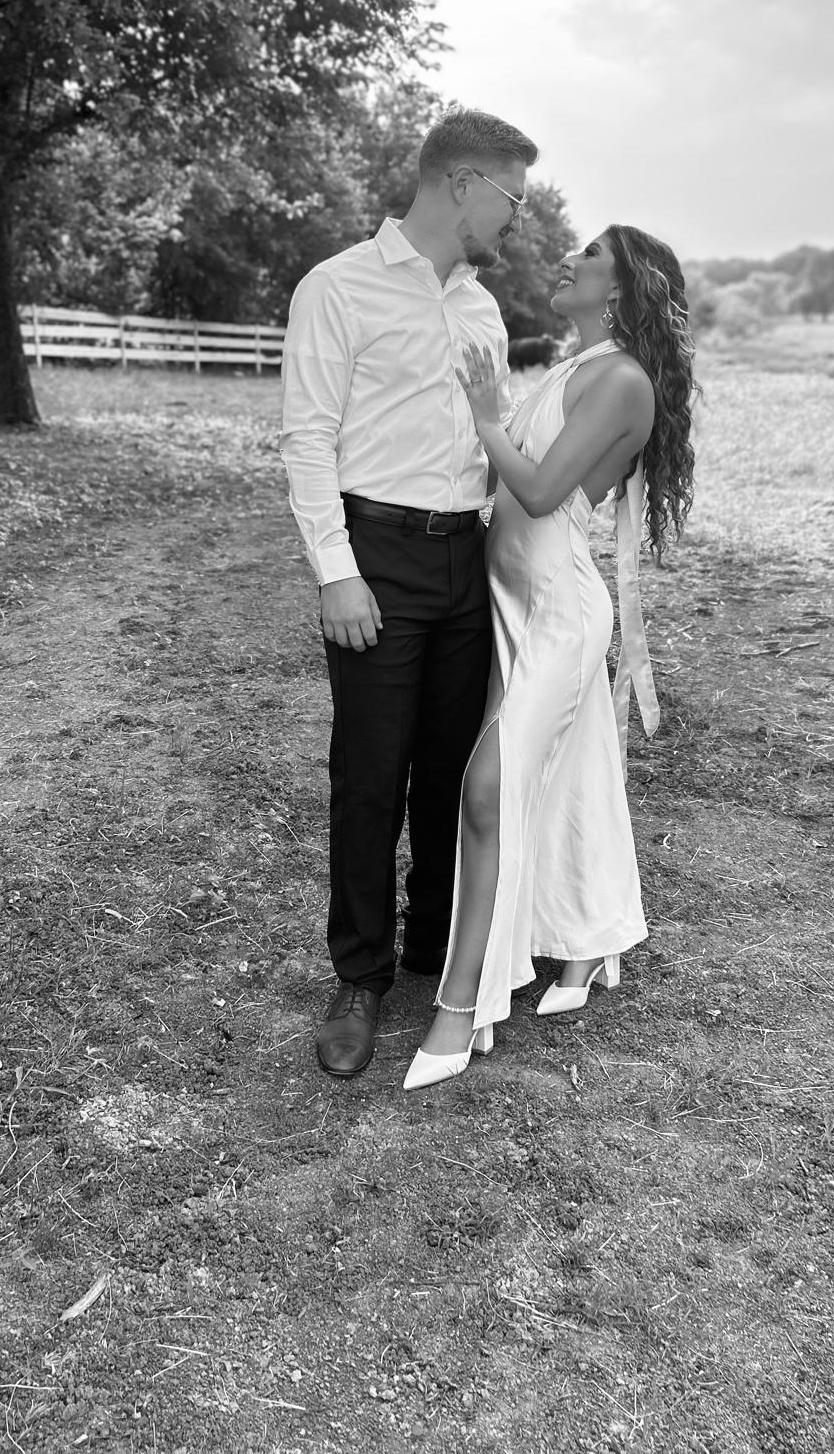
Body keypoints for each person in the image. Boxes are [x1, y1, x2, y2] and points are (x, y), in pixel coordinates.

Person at [403, 224, 698, 1091]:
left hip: (558, 612)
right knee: (567, 774)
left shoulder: (623, 379)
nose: (570, 260)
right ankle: (586, 940)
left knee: (487, 788)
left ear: (622, 288)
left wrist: (486, 412)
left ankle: (461, 1007)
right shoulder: (577, 368)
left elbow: (535, 492)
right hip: (506, 600)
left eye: (590, 256)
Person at [280, 107, 540, 1078]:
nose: (516, 217)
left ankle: (436, 947)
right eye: (512, 198)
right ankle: (359, 977)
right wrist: (337, 572)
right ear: (463, 183)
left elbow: (494, 438)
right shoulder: (337, 287)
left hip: (465, 559)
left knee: (448, 774)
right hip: (377, 555)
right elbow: (308, 438)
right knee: (370, 774)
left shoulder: (483, 311)